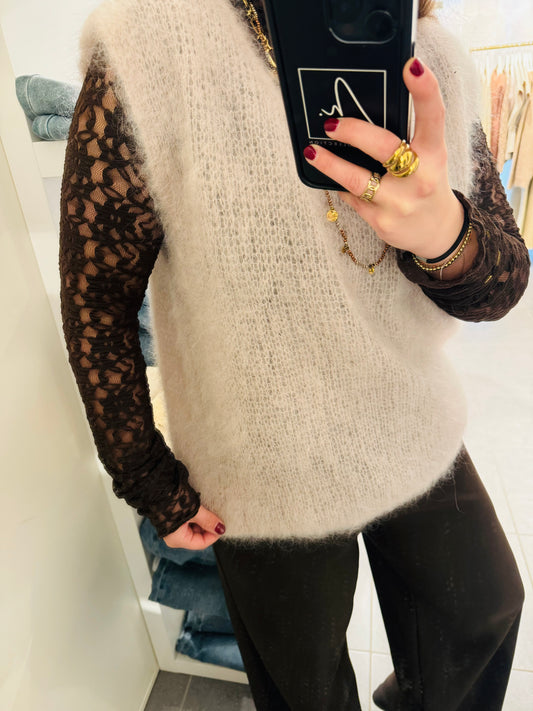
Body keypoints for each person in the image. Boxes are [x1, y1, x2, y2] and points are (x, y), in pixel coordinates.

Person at [59, 0, 529, 709]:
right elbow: (96, 296)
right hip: (259, 455)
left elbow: (503, 285)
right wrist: (147, 475)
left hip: (408, 417)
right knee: (304, 690)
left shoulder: (430, 55)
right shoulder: (149, 44)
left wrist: (446, 236)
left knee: (483, 614)